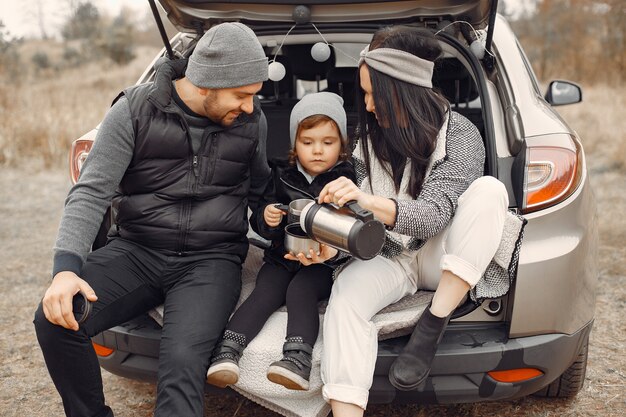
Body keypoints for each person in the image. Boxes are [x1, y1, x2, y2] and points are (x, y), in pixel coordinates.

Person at [33, 22, 273, 417]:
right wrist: (65, 270)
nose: (249, 106)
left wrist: (273, 222)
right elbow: (90, 192)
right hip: (137, 250)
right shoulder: (133, 110)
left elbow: (262, 194)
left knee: (181, 362)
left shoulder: (251, 122)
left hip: (210, 261)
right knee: (55, 319)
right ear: (207, 82)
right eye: (242, 95)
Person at [290, 26, 525, 416]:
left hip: (444, 257)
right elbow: (364, 225)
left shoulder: (461, 134)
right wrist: (330, 247)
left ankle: (432, 325)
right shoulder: (369, 140)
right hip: (391, 252)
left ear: (399, 90)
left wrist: (367, 198)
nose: (366, 105)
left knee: (489, 192)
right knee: (345, 298)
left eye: (371, 93)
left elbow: (433, 217)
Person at [206, 92, 356, 392]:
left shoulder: (345, 180)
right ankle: (228, 351)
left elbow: (352, 226)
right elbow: (259, 219)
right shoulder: (282, 176)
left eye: (328, 143)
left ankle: (296, 359)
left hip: (323, 263)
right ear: (294, 145)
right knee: (266, 291)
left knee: (301, 292)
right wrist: (266, 217)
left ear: (341, 146)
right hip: (281, 255)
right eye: (307, 142)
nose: (317, 151)